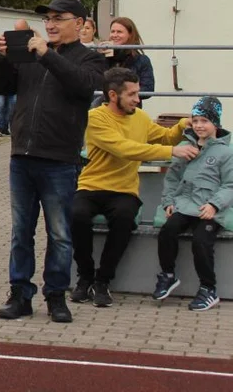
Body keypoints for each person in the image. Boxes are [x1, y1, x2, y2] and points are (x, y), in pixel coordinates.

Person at [0, 0, 106, 323]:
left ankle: (56, 295)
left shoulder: (91, 59)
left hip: (59, 159)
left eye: (59, 18)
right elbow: (2, 88)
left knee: (59, 233)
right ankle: (20, 294)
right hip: (22, 157)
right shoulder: (28, 55)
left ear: (81, 23)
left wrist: (47, 55)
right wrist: (3, 59)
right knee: (20, 232)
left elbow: (82, 85)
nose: (51, 24)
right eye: (48, 20)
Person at [69, 68, 197, 308]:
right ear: (113, 95)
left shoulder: (140, 117)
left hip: (124, 190)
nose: (138, 99)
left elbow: (164, 137)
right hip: (91, 185)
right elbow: (125, 148)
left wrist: (182, 126)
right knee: (77, 215)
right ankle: (84, 277)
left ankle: (103, 280)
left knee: (125, 218)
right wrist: (172, 151)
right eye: (132, 94)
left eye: (138, 93)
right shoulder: (96, 118)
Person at [154, 96, 233, 311]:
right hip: (185, 204)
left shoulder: (226, 152)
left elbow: (230, 185)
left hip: (209, 210)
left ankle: (209, 289)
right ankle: (168, 275)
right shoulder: (184, 147)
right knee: (167, 231)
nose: (199, 125)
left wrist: (214, 205)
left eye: (204, 121)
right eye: (195, 120)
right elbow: (172, 178)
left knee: (201, 241)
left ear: (215, 123)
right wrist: (168, 200)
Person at [0, 20, 29, 138]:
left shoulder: (29, 50)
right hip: (0, 86)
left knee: (11, 110)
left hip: (13, 87)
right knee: (0, 107)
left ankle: (9, 128)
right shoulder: (2, 51)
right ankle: (0, 128)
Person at [104, 17, 155, 96]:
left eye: (119, 32)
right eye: (112, 31)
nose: (115, 35)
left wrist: (123, 93)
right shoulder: (103, 57)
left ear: (130, 35)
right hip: (105, 105)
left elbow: (148, 89)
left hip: (130, 106)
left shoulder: (141, 60)